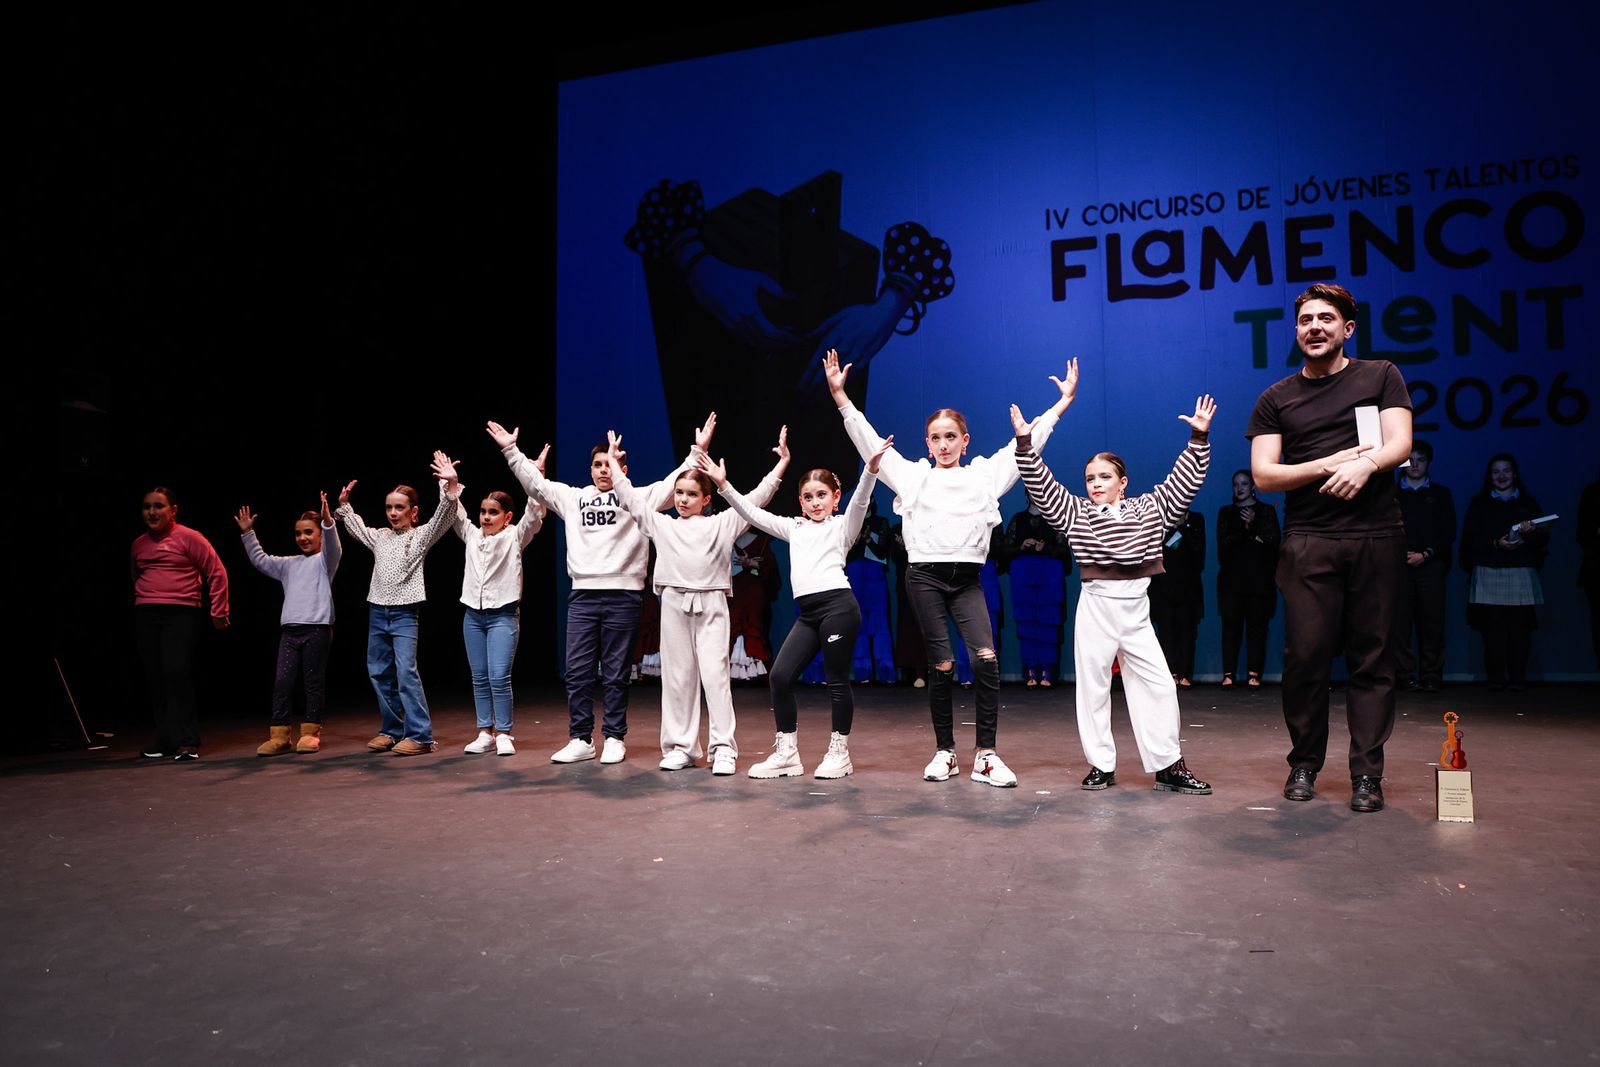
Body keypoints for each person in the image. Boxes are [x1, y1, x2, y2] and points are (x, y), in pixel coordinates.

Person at [825, 348, 1076, 788]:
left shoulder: (984, 476)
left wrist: (1060, 405)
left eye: (951, 437)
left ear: (965, 440)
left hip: (967, 580)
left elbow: (1026, 443)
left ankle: (986, 755)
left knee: (986, 658)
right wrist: (842, 398)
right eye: (936, 438)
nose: (943, 445)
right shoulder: (912, 476)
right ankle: (945, 752)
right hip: (924, 577)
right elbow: (867, 442)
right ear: (927, 443)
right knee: (941, 664)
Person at [1247, 282, 1412, 813]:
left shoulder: (1380, 375)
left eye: (1325, 318)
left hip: (1375, 536)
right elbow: (1265, 475)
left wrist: (1367, 463)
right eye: (1304, 321)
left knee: (1373, 658)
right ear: (1296, 331)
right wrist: (1332, 462)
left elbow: (1399, 443)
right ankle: (1304, 762)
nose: (1313, 327)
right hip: (1309, 541)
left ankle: (1367, 774)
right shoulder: (1277, 398)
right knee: (1307, 657)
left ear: (1348, 328)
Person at [1013, 390, 1216, 796]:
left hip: (1136, 610)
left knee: (1159, 686)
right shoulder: (1077, 513)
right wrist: (1024, 444)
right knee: (1093, 688)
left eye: (1104, 476)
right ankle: (1101, 765)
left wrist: (1198, 440)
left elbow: (1182, 487)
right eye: (1090, 478)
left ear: (1123, 483)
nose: (1095, 484)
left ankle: (1167, 766)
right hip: (1097, 607)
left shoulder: (1148, 510)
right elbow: (1042, 486)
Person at [491, 417, 713, 764]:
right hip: (583, 596)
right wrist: (511, 449)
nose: (602, 471)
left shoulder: (638, 498)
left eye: (609, 464)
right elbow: (537, 485)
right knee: (578, 671)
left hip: (623, 595)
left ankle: (613, 737)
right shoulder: (573, 498)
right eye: (597, 465)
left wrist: (698, 451)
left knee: (615, 672)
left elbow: (675, 484)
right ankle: (581, 738)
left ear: (622, 467)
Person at [700, 435, 891, 778]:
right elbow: (752, 513)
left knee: (836, 681)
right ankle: (787, 753)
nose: (816, 503)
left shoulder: (842, 527)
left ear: (834, 499)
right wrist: (724, 485)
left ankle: (839, 753)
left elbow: (861, 500)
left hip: (838, 609)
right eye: (808, 497)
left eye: (822, 496)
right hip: (809, 615)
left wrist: (872, 469)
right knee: (780, 676)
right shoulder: (794, 528)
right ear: (800, 503)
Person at [611, 427, 788, 775]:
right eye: (678, 493)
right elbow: (631, 500)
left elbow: (755, 499)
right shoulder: (662, 524)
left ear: (706, 499)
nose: (682, 499)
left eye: (691, 494)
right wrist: (617, 468)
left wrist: (781, 465)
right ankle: (681, 746)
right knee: (677, 678)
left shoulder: (723, 523)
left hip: (711, 606)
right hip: (674, 603)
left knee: (715, 677)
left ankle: (723, 748)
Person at [336, 454, 461, 756]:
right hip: (377, 611)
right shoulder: (380, 537)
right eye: (389, 507)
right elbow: (356, 528)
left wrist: (450, 485)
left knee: (406, 672)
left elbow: (442, 518)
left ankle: (420, 735)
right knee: (378, 671)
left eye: (399, 507)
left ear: (413, 512)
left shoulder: (419, 537)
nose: (393, 513)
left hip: (405, 612)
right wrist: (345, 506)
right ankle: (392, 730)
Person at [235, 494, 340, 756]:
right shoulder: (288, 565)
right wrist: (249, 533)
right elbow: (261, 560)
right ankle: (280, 734)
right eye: (298, 533)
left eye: (308, 532)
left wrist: (328, 522)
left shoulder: (325, 562)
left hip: (316, 629)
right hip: (290, 633)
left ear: (318, 535)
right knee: (282, 682)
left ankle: (309, 733)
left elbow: (333, 547)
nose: (303, 538)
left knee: (312, 682)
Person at [452, 465, 546, 756]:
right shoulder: (472, 535)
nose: (486, 517)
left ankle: (503, 732)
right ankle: (484, 732)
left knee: (498, 675)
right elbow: (455, 512)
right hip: (473, 616)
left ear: (507, 517)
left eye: (493, 512)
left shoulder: (515, 537)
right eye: (483, 512)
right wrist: (451, 485)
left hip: (503, 615)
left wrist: (535, 475)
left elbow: (534, 515)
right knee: (479, 677)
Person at [132, 486, 230, 761]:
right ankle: (165, 739)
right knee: (156, 676)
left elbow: (217, 572)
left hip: (181, 612)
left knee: (176, 671)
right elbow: (136, 575)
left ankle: (187, 740)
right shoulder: (139, 544)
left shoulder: (189, 538)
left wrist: (219, 610)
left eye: (158, 506)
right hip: (146, 614)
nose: (152, 512)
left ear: (173, 510)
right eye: (147, 506)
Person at [1460, 454, 1549, 691]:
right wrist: (1496, 544)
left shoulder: (1528, 503)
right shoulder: (1479, 503)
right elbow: (1468, 541)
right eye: (1496, 472)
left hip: (1520, 570)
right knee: (1492, 629)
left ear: (1515, 474)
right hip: (1489, 570)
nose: (1501, 476)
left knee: (1520, 629)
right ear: (1489, 476)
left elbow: (1544, 539)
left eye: (1506, 471)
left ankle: (1518, 679)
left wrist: (1533, 532)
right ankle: (1496, 679)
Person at [1395, 440, 1456, 692]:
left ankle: (1431, 674)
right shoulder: (1391, 495)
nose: (1415, 465)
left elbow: (1448, 532)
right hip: (1398, 566)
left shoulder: (1440, 494)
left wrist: (1427, 554)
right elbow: (1384, 529)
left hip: (1431, 566)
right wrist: (1402, 554)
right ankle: (1403, 675)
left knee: (1432, 622)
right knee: (1399, 624)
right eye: (1409, 459)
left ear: (1428, 462)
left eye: (1420, 459)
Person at [1215, 469, 1280, 688]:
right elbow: (1223, 546)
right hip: (1232, 580)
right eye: (1236, 484)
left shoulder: (1266, 511)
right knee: (1230, 627)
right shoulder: (1226, 513)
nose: (1239, 488)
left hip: (1259, 581)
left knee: (1257, 627)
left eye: (1244, 484)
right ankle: (1228, 674)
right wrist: (1247, 532)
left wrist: (1254, 525)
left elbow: (1273, 544)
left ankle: (1254, 674)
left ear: (1253, 486)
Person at [1006, 505, 1072, 687]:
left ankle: (1047, 671)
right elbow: (1004, 549)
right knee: (1026, 623)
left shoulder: (1056, 518)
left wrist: (1047, 548)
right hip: (1023, 575)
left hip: (1049, 575)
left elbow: (1064, 551)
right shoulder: (1018, 519)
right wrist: (1021, 547)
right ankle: (1030, 671)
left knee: (1048, 623)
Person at [1149, 509, 1205, 689]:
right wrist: (1171, 527)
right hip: (1163, 585)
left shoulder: (1196, 520)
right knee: (1166, 630)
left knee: (1187, 631)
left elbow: (1198, 554)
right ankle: (1170, 672)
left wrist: (1183, 526)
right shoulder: (1159, 520)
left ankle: (1185, 673)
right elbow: (1155, 551)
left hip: (1188, 586)